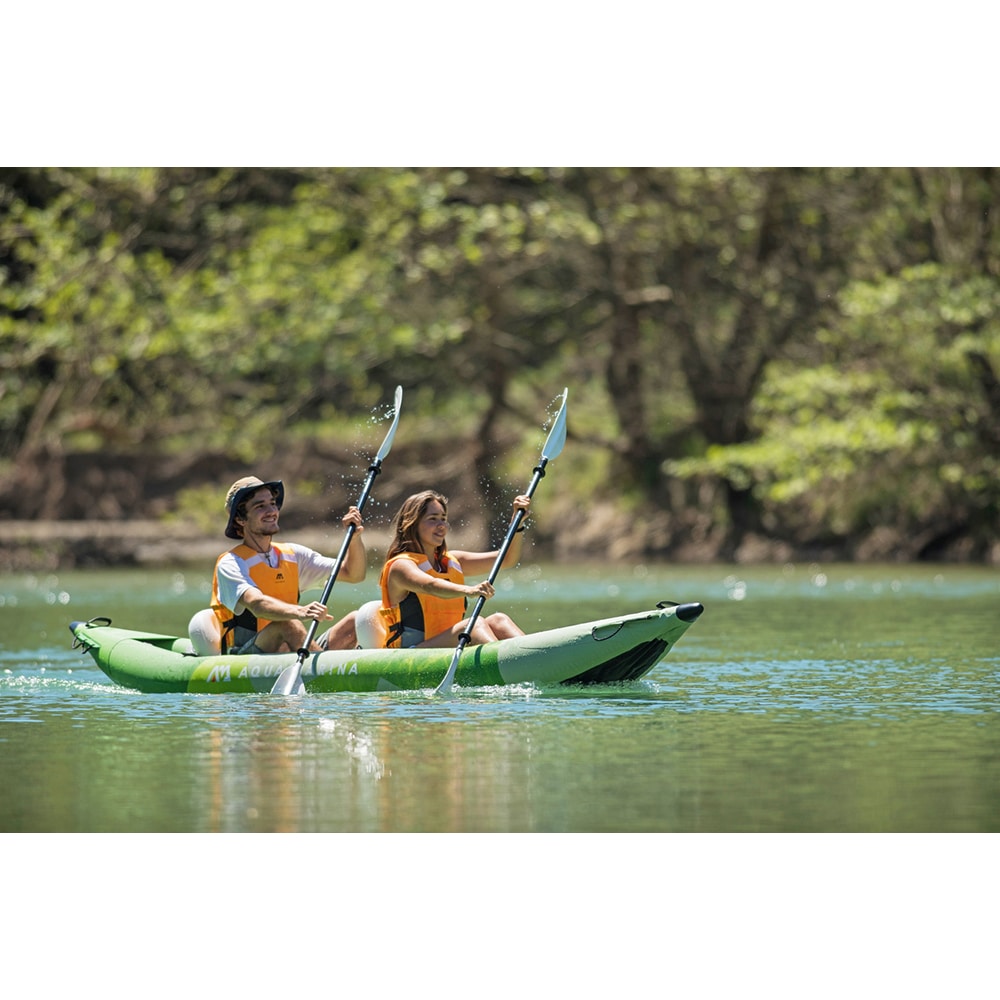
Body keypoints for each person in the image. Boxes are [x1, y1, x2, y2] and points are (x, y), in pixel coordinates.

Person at [208, 476, 367, 655]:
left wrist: (354, 539)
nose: (271, 511)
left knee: (357, 620)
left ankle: (328, 669)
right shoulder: (231, 563)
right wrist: (300, 611)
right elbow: (257, 604)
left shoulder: (293, 554)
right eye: (260, 506)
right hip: (248, 658)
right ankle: (326, 677)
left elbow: (353, 574)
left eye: (272, 503)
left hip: (291, 649)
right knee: (288, 623)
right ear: (240, 519)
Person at [377, 489, 531, 649]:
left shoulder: (454, 561)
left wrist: (517, 523)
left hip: (446, 649)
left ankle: (537, 657)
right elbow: (430, 585)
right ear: (412, 524)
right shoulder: (401, 566)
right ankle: (508, 662)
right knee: (473, 625)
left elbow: (506, 559)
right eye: (433, 519)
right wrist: (469, 590)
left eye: (443, 519)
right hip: (410, 656)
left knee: (499, 620)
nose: (441, 526)